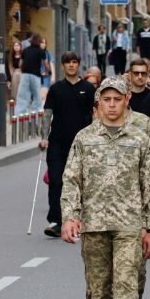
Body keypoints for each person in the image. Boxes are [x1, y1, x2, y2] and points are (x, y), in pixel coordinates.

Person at [60, 76, 150, 299]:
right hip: (93, 223)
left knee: (126, 279)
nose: (112, 105)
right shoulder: (84, 138)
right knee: (99, 284)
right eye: (107, 100)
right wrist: (70, 216)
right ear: (98, 103)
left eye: (117, 99)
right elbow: (71, 181)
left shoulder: (140, 139)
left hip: (130, 223)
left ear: (126, 101)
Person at [40, 51, 96, 240]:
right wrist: (44, 137)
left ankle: (80, 218)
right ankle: (56, 221)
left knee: (82, 181)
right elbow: (48, 113)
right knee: (56, 180)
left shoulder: (88, 88)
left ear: (79, 64)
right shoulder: (56, 89)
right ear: (63, 65)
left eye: (74, 62)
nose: (71, 65)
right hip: (57, 141)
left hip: (82, 143)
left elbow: (96, 114)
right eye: (67, 62)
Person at [15, 33, 45, 114]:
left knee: (23, 97)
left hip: (25, 75)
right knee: (37, 98)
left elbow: (20, 64)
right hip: (36, 76)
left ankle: (19, 117)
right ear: (39, 42)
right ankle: (35, 118)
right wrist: (47, 72)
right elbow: (46, 64)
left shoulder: (25, 50)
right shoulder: (41, 51)